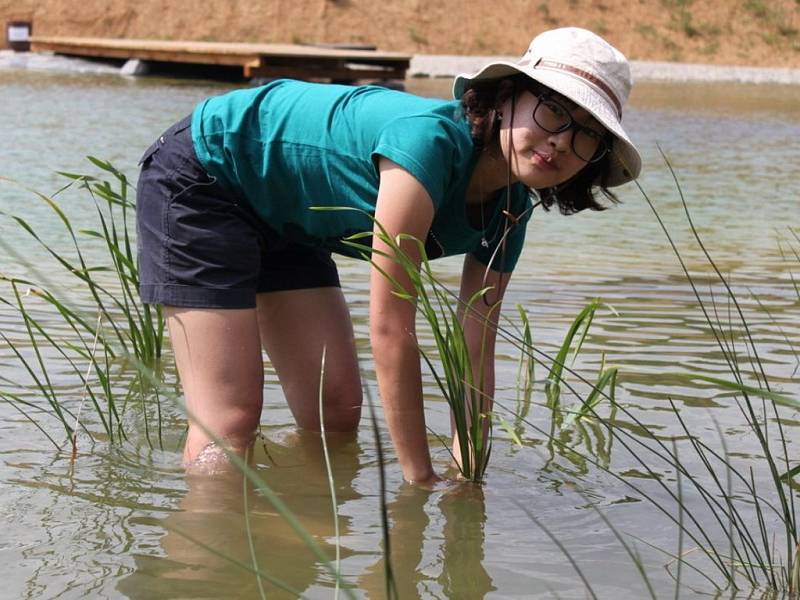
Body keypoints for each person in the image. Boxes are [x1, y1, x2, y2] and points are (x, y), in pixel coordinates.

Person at [135, 27, 641, 485]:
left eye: (586, 133)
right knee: (231, 419)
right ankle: (204, 563)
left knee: (335, 410)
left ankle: (294, 523)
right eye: (553, 109)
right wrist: (419, 481)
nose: (561, 139)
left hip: (287, 218)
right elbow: (390, 328)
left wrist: (468, 463)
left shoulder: (509, 213)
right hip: (208, 173)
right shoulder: (427, 146)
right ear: (505, 97)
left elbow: (476, 344)